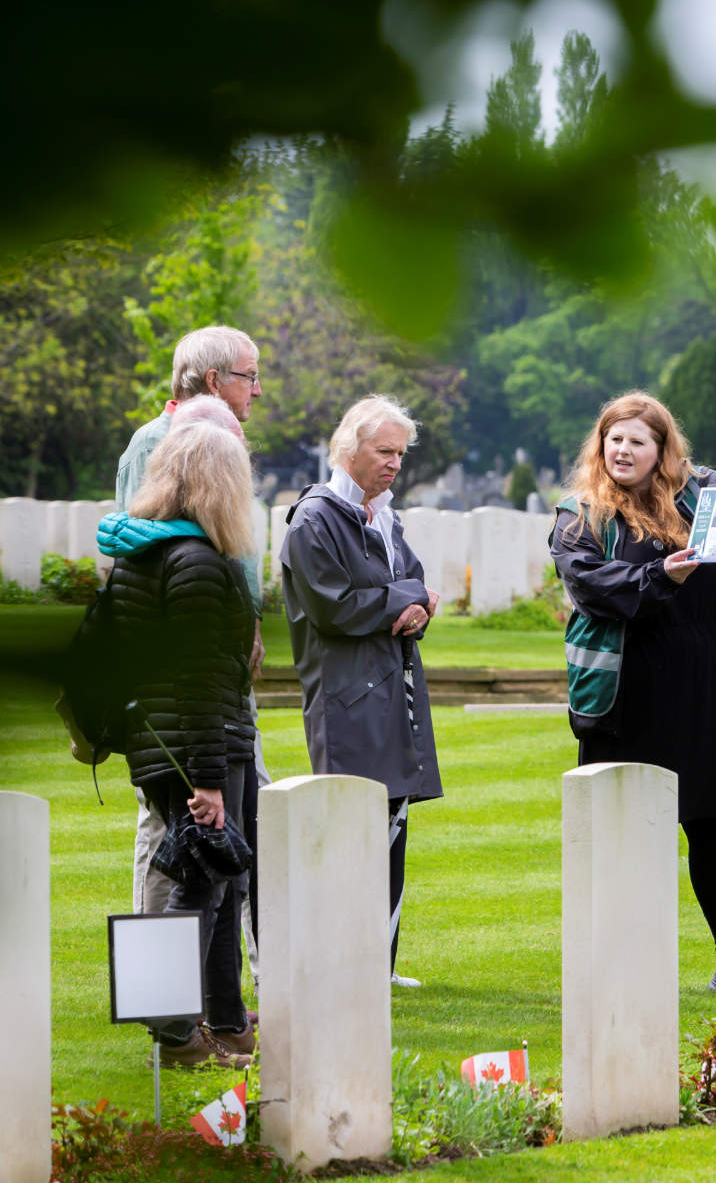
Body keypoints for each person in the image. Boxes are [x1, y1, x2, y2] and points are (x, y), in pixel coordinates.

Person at [549, 392, 716, 996]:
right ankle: (620, 969)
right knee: (624, 830)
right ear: (601, 447)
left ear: (662, 450)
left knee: (714, 826)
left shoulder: (700, 497)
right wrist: (659, 574)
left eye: (637, 442)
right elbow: (591, 585)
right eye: (614, 440)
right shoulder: (579, 516)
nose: (623, 451)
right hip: (627, 692)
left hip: (707, 684)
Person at [99, 420, 260, 1068]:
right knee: (204, 878)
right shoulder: (194, 562)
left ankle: (221, 1020)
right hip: (198, 742)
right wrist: (210, 780)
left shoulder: (140, 551)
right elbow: (199, 677)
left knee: (220, 874)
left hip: (158, 742)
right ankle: (173, 1032)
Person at [115, 326, 271, 962]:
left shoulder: (208, 435)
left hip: (214, 669)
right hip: (188, 692)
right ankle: (169, 1002)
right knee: (176, 842)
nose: (257, 391)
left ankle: (208, 999)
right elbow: (153, 573)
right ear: (214, 381)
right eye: (249, 376)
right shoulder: (174, 443)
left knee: (219, 838)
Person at [280, 395, 443, 987]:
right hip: (345, 694)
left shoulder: (386, 515)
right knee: (352, 829)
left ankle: (381, 962)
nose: (395, 463)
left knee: (393, 823)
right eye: (385, 451)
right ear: (349, 447)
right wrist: (405, 601)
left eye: (401, 453)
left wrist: (421, 607)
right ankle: (345, 963)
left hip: (391, 684)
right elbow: (333, 607)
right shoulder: (315, 520)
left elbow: (416, 581)